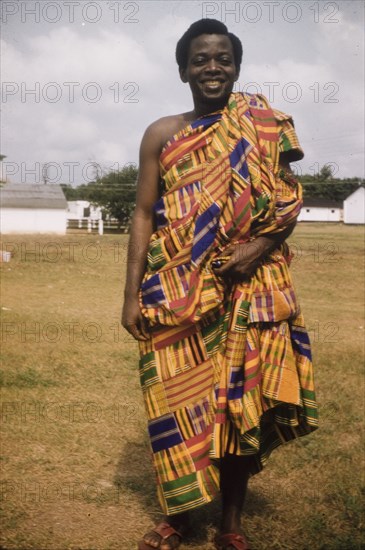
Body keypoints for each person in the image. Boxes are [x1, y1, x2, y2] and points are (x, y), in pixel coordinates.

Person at [122, 18, 318, 550]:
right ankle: (179, 517)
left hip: (252, 289)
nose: (213, 67)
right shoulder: (162, 133)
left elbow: (288, 200)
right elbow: (143, 213)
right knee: (175, 401)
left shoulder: (264, 124)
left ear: (236, 66)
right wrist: (131, 293)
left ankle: (230, 524)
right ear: (183, 68)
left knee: (240, 403)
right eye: (201, 59)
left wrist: (257, 249)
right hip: (179, 292)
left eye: (223, 58)